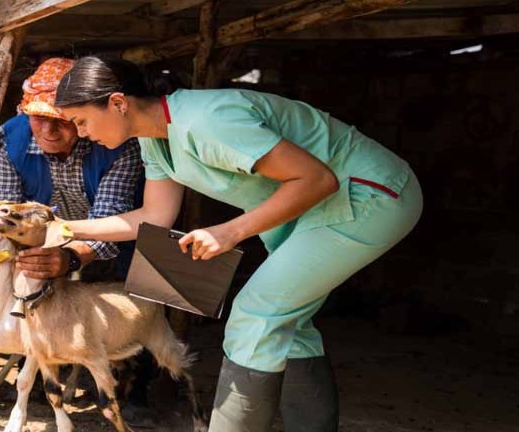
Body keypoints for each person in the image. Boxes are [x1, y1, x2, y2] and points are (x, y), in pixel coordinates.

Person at [52, 56, 423, 432]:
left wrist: (229, 232)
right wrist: (64, 228)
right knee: (287, 325)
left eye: (81, 120)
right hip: (316, 209)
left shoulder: (208, 121)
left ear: (117, 103)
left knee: (255, 312)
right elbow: (154, 216)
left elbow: (316, 179)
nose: (80, 133)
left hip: (367, 196)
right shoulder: (153, 140)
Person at [0, 57, 156, 423]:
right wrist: (26, 257)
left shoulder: (118, 141)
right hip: (41, 235)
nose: (49, 131)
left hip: (120, 231)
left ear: (79, 113)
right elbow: (6, 210)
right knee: (36, 297)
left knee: (138, 298)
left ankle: (137, 386)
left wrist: (70, 257)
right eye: (38, 118)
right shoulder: (12, 137)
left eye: (63, 121)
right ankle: (41, 373)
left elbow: (110, 217)